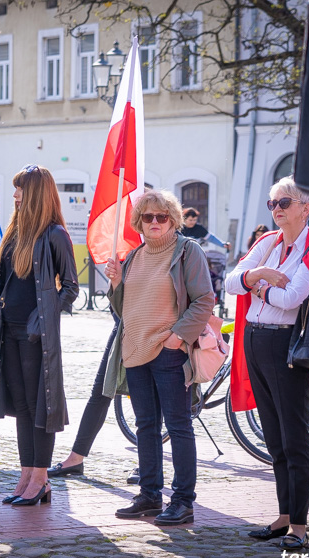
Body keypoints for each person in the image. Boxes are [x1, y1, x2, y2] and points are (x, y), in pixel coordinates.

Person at [225, 176, 309, 550]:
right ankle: (284, 514)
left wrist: (254, 285)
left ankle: (300, 526)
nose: (276, 209)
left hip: (286, 347)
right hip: (255, 339)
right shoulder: (266, 243)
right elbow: (230, 282)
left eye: (284, 203)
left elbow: (290, 298)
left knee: (293, 437)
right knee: (273, 436)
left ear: (306, 208)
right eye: (272, 203)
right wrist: (256, 276)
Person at [102, 189, 213, 526]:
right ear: (139, 221)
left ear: (172, 219)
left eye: (161, 216)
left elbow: (204, 300)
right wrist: (117, 284)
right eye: (147, 217)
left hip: (168, 353)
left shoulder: (187, 252)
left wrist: (176, 338)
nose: (154, 222)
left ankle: (183, 501)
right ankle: (150, 494)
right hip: (135, 352)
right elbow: (124, 310)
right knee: (146, 426)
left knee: (178, 426)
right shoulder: (134, 257)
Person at [0, 164, 78, 506]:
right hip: (10, 332)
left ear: (34, 193)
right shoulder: (16, 233)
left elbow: (71, 287)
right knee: (21, 407)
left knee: (40, 408)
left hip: (37, 337)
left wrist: (44, 316)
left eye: (20, 189)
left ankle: (40, 478)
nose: (15, 194)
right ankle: (26, 474)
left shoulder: (54, 234)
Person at [46, 314, 120, 478]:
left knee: (144, 398)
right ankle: (76, 458)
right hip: (123, 324)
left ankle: (148, 466)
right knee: (100, 393)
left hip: (144, 326)